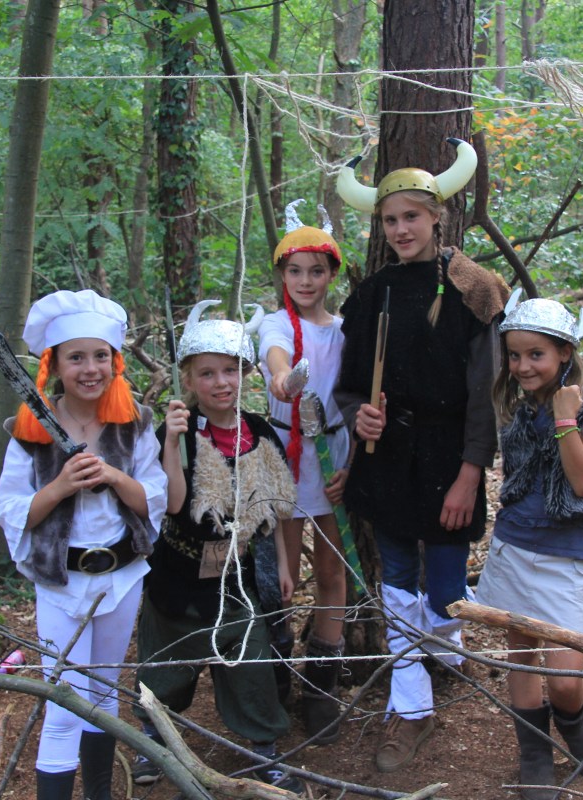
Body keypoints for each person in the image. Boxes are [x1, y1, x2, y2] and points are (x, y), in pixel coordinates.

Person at [334, 138, 510, 773]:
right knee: (398, 579)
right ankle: (411, 705)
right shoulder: (372, 295)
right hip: (386, 457)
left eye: (412, 216)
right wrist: (360, 414)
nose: (401, 229)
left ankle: (442, 657)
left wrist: (470, 473)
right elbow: (348, 387)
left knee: (445, 589)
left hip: (449, 457)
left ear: (438, 216)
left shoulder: (476, 289)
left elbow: (487, 394)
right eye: (390, 219)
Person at [0, 289, 168, 800]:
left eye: (100, 356)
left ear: (115, 362)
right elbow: (11, 509)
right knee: (65, 702)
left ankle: (98, 794)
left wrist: (114, 475)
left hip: (121, 576)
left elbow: (153, 499)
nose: (90, 369)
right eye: (76, 358)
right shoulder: (31, 428)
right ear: (54, 364)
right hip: (59, 580)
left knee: (104, 694)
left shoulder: (135, 423)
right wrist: (60, 486)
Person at [133, 301, 304, 794]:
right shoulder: (176, 431)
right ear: (188, 379)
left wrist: (284, 566)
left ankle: (264, 745)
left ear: (245, 373)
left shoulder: (260, 432)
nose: (221, 382)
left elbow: (275, 509)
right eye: (207, 373)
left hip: (238, 576)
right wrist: (172, 443)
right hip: (179, 572)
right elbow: (173, 504)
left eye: (230, 371)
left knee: (250, 661)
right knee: (165, 661)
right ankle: (154, 734)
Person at [476, 293, 583, 799]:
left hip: (568, 554)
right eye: (514, 355)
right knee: (521, 658)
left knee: (565, 678)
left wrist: (566, 419)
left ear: (565, 352)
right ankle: (534, 755)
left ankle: (577, 730)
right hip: (514, 545)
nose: (523, 366)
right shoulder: (518, 408)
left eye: (536, 354)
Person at [258, 199, 351, 744]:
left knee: (333, 571)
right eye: (295, 271)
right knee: (284, 573)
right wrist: (283, 380)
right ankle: (274, 677)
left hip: (333, 452)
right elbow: (276, 360)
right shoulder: (274, 324)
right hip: (286, 456)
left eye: (316, 270)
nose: (306, 281)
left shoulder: (343, 330)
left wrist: (352, 464)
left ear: (331, 274)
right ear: (282, 275)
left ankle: (322, 686)